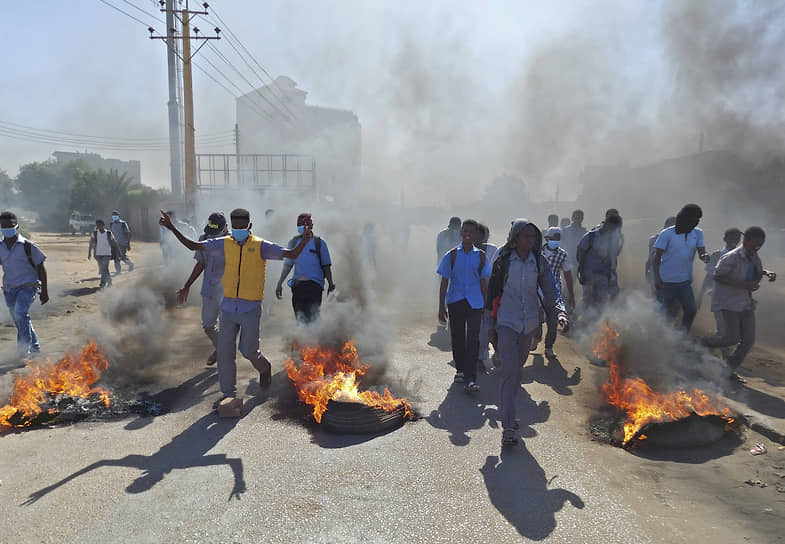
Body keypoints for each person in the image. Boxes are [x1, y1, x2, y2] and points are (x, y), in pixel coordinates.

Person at [159, 208, 312, 405]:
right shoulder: (223, 243)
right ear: (231, 227)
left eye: (242, 227)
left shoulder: (261, 246)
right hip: (228, 308)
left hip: (250, 308)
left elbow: (290, 253)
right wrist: (171, 227)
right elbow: (193, 245)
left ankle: (264, 368)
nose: (238, 230)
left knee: (248, 350)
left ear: (249, 226)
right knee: (224, 353)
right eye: (235, 227)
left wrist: (305, 240)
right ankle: (228, 394)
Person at [486, 219, 565, 446]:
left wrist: (561, 312)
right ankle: (508, 426)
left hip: (529, 324)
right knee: (510, 373)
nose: (531, 240)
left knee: (518, 371)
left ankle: (509, 414)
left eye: (533, 237)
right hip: (506, 322)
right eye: (526, 236)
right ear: (515, 237)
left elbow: (552, 288)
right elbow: (491, 294)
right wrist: (489, 326)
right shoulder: (502, 261)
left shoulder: (539, 262)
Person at [701, 227, 776, 383]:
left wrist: (767, 273)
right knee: (731, 338)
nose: (757, 248)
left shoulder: (754, 256)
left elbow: (757, 269)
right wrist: (743, 285)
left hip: (746, 303)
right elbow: (717, 277)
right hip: (728, 302)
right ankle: (700, 343)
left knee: (748, 340)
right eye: (755, 244)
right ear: (745, 241)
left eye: (760, 245)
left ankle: (727, 371)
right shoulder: (730, 257)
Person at [437, 219, 490, 393]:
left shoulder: (481, 256)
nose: (468, 234)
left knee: (473, 339)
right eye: (465, 231)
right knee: (458, 338)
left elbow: (483, 282)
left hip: (475, 303)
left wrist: (486, 305)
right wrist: (441, 306)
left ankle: (471, 378)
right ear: (461, 233)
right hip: (456, 301)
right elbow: (444, 281)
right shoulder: (451, 255)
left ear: (475, 235)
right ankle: (460, 370)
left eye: (471, 232)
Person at [176, 212, 228, 366]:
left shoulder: (233, 241)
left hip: (229, 292)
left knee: (227, 327)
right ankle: (221, 349)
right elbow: (200, 263)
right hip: (209, 290)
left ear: (225, 228)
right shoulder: (203, 238)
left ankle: (224, 356)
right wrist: (187, 286)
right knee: (208, 326)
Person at [652, 204, 710, 331]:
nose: (696, 222)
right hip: (666, 283)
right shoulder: (667, 234)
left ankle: (681, 337)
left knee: (691, 310)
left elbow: (701, 252)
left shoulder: (698, 233)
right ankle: (658, 339)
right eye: (693, 219)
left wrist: (705, 257)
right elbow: (656, 259)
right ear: (684, 218)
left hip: (684, 282)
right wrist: (657, 278)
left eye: (698, 220)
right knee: (663, 315)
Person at [0, 211, 48, 355]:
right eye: (3, 226)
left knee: (20, 313)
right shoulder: (0, 247)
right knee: (20, 319)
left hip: (28, 286)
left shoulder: (28, 246)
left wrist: (44, 291)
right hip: (9, 289)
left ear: (17, 226)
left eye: (10, 226)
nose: (6, 229)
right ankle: (35, 347)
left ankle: (23, 352)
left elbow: (41, 268)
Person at [275, 213, 336, 324]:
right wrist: (280, 283)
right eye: (299, 224)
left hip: (315, 286)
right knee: (300, 319)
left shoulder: (319, 243)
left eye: (305, 224)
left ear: (311, 225)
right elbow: (288, 265)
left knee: (313, 318)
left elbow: (326, 266)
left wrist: (331, 285)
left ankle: (313, 339)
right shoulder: (293, 242)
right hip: (297, 287)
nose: (301, 227)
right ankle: (303, 339)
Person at [576, 212, 623, 311]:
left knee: (602, 301)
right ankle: (583, 322)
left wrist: (610, 276)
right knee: (587, 300)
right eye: (613, 228)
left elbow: (611, 258)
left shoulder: (611, 239)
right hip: (588, 274)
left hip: (603, 276)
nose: (613, 231)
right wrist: (581, 272)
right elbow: (581, 253)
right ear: (606, 225)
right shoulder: (590, 236)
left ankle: (596, 323)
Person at [541, 227, 574, 358]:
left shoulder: (563, 255)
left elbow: (567, 274)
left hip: (553, 291)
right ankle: (535, 337)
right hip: (536, 290)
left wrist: (571, 294)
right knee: (535, 321)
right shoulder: (538, 252)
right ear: (547, 239)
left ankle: (549, 347)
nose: (556, 241)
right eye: (554, 238)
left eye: (558, 239)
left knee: (552, 321)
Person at [698, 227, 742, 309]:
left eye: (737, 239)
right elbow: (708, 278)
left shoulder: (741, 256)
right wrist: (700, 296)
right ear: (725, 239)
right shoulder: (716, 255)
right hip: (719, 297)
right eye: (732, 238)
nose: (735, 241)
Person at [475, 223, 498, 371]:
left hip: (492, 294)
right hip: (473, 294)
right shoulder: (466, 250)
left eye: (483, 235)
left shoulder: (494, 250)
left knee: (490, 325)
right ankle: (480, 357)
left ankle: (494, 353)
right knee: (478, 327)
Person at [646, 216, 676, 297]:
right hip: (657, 274)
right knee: (658, 300)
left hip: (672, 276)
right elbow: (650, 258)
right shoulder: (654, 239)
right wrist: (647, 271)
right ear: (664, 227)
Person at [88, 219, 120, 289]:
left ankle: (102, 283)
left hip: (107, 254)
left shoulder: (108, 233)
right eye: (97, 225)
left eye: (100, 225)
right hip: (98, 254)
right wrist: (89, 252)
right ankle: (109, 281)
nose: (99, 227)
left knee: (103, 268)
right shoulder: (95, 233)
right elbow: (91, 243)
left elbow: (114, 242)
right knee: (104, 269)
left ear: (103, 225)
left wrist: (118, 252)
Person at [109, 210, 134, 274]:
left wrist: (128, 243)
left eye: (115, 215)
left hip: (122, 243)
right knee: (116, 257)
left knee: (122, 256)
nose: (114, 217)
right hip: (115, 244)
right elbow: (110, 234)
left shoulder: (123, 223)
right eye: (113, 216)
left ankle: (130, 264)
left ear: (118, 216)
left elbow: (127, 233)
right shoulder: (111, 224)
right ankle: (118, 271)